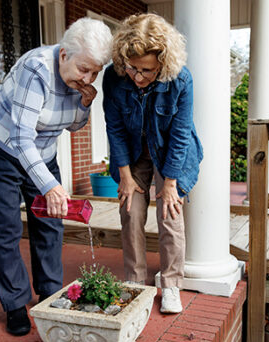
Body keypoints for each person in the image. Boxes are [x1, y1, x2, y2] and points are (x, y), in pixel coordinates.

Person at [0, 18, 112, 336]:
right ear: (64, 55)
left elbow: (74, 126)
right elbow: (21, 139)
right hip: (1, 148)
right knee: (6, 228)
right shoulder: (36, 69)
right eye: (83, 69)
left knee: (50, 224)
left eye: (95, 72)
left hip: (42, 153)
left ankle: (50, 296)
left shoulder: (80, 80)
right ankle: (14, 305)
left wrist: (85, 102)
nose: (88, 77)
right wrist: (50, 185)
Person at [103, 13, 203, 314]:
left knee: (169, 214)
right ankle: (135, 283)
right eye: (132, 67)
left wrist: (170, 184)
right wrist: (124, 175)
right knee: (130, 208)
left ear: (163, 61)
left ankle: (171, 286)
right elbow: (114, 127)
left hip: (170, 153)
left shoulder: (181, 79)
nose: (137, 76)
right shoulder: (114, 76)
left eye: (146, 70)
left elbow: (181, 133)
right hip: (132, 153)